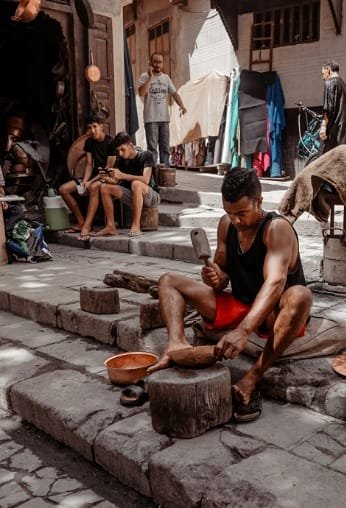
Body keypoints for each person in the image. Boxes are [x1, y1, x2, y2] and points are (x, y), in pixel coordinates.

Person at [148, 168, 312, 423]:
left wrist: (244, 331)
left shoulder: (277, 228)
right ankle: (175, 345)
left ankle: (253, 377)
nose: (235, 220)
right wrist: (216, 277)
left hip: (272, 313)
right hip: (241, 303)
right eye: (230, 212)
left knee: (301, 295)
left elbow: (275, 282)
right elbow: (222, 275)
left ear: (258, 202)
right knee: (168, 281)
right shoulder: (227, 224)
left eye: (242, 213)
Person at [93, 131, 160, 238]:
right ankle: (110, 226)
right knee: (105, 188)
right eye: (118, 151)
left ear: (130, 145)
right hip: (133, 195)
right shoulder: (121, 160)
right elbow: (116, 182)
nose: (120, 153)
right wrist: (105, 178)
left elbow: (146, 179)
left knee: (136, 184)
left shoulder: (146, 155)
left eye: (122, 149)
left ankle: (136, 225)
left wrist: (122, 175)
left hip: (151, 197)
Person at [59, 113, 116, 236]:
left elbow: (107, 169)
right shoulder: (89, 142)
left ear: (102, 126)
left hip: (107, 177)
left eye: (95, 127)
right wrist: (85, 180)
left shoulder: (111, 143)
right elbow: (89, 164)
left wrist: (89, 182)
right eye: (90, 128)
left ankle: (87, 225)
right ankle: (80, 221)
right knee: (64, 189)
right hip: (93, 176)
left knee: (93, 187)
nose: (92, 130)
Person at [138, 52, 187, 166]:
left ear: (162, 63)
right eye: (155, 62)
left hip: (164, 119)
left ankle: (165, 174)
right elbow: (141, 92)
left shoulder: (166, 78)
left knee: (165, 148)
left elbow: (174, 94)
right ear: (151, 63)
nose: (157, 64)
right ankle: (153, 175)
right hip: (150, 119)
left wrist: (182, 105)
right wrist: (151, 78)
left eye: (160, 62)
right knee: (152, 149)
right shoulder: (144, 76)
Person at [319, 60, 346, 154]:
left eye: (323, 73)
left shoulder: (329, 82)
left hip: (335, 127)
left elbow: (328, 108)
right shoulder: (345, 87)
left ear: (328, 70)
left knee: (325, 157)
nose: (323, 77)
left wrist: (323, 127)